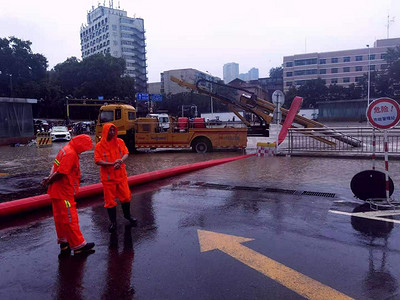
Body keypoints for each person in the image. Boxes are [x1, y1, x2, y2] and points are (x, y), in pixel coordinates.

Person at [41, 134, 95, 256]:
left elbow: (55, 165)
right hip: (64, 193)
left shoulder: (64, 149)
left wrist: (49, 178)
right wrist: (49, 180)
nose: (83, 151)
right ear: (80, 144)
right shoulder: (71, 154)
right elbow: (62, 172)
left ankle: (64, 243)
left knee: (60, 219)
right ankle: (79, 245)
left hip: (56, 192)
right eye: (84, 148)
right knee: (70, 218)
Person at [94, 123, 137, 233]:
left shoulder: (120, 142)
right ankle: (113, 222)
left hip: (121, 176)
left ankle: (128, 216)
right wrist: (111, 164)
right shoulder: (99, 146)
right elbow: (97, 161)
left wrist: (121, 160)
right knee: (110, 202)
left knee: (126, 197)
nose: (112, 133)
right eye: (110, 131)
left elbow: (126, 153)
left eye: (114, 130)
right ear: (105, 132)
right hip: (108, 179)